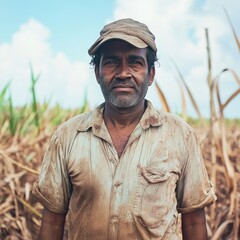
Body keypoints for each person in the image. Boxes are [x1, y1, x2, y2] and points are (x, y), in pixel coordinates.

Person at [33, 18, 217, 240]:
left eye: (134, 62)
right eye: (111, 62)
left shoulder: (179, 134)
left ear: (150, 75)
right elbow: (52, 222)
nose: (123, 73)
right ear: (97, 73)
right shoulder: (68, 136)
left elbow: (194, 220)